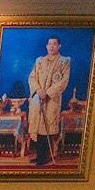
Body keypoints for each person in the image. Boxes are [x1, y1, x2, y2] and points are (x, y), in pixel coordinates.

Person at [27, 35, 70, 167]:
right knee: (38, 127)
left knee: (47, 128)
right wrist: (38, 90)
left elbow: (63, 82)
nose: (51, 46)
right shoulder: (39, 61)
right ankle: (39, 156)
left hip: (51, 100)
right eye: (49, 44)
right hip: (38, 98)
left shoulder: (64, 61)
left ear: (59, 46)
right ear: (46, 46)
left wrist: (47, 93)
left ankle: (44, 157)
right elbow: (32, 77)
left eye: (54, 44)